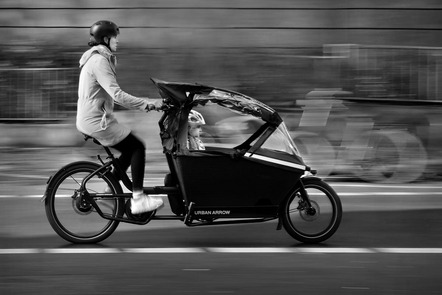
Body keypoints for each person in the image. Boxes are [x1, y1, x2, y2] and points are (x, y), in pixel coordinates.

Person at [76, 20, 163, 214]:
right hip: (96, 121)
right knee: (138, 147)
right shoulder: (98, 61)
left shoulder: (98, 59)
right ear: (106, 39)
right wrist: (148, 103)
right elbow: (117, 94)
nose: (117, 41)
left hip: (95, 118)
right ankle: (138, 199)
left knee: (128, 149)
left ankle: (109, 191)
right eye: (115, 38)